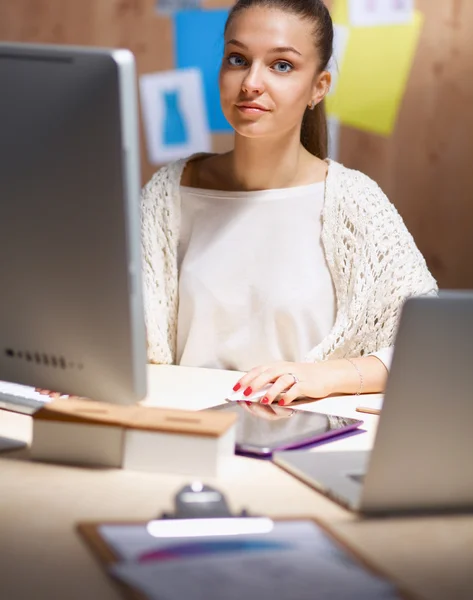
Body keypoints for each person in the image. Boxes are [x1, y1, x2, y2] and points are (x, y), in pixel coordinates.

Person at [141, 0, 437, 406]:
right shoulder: (167, 193)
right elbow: (118, 331)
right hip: (182, 428)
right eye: (237, 59)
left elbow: (428, 346)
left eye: (281, 65)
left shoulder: (354, 202)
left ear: (320, 86)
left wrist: (326, 375)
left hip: (300, 435)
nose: (251, 82)